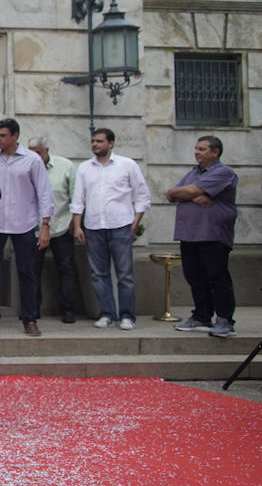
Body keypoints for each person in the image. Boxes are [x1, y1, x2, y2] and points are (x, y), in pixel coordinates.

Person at [0, 118, 52, 336]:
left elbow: (44, 192)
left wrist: (45, 225)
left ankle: (30, 318)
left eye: (3, 136)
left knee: (26, 271)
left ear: (15, 136)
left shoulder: (32, 160)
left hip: (24, 223)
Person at [71, 128, 151, 331]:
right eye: (93, 141)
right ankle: (107, 313)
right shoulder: (84, 168)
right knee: (99, 274)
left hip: (120, 225)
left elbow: (142, 195)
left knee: (125, 274)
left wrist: (135, 221)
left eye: (99, 141)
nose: (95, 145)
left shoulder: (127, 165)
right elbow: (78, 198)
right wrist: (77, 225)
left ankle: (127, 315)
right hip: (94, 226)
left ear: (111, 143)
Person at [166, 136, 238, 339]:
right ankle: (201, 316)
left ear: (215, 152)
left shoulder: (224, 172)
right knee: (194, 277)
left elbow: (191, 190)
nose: (197, 152)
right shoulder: (193, 173)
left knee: (217, 277)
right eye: (196, 148)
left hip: (212, 234)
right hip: (189, 234)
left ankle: (225, 320)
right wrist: (185, 193)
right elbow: (171, 195)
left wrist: (189, 192)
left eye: (202, 149)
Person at [27, 136, 82, 324]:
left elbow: (76, 197)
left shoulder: (65, 166)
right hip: (33, 228)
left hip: (61, 225)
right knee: (32, 269)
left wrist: (76, 224)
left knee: (66, 268)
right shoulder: (26, 167)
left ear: (46, 150)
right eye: (31, 152)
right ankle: (32, 309)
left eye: (38, 153)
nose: (34, 156)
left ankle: (68, 309)